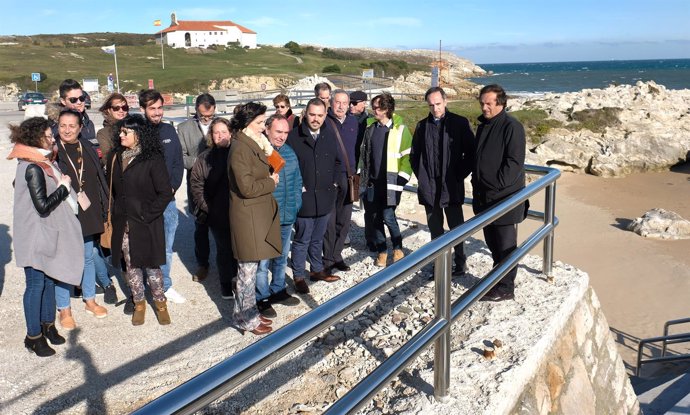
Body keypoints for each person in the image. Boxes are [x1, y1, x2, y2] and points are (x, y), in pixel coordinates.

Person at [9, 117, 84, 356]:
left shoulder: (41, 160)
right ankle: (33, 336)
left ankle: (47, 325)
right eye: (48, 134)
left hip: (45, 232)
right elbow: (42, 206)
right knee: (36, 284)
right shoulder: (32, 166)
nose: (52, 137)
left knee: (50, 280)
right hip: (33, 236)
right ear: (36, 137)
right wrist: (63, 187)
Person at [107, 114, 173, 325]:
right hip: (124, 221)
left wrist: (147, 214)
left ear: (139, 134)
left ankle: (160, 303)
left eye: (126, 132)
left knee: (152, 266)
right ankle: (139, 304)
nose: (121, 135)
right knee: (131, 266)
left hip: (146, 221)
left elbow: (165, 193)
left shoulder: (153, 158)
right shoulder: (116, 156)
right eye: (120, 131)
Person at [227, 102, 280, 335]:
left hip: (254, 213)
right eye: (259, 123)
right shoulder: (240, 148)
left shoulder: (252, 142)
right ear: (247, 123)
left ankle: (248, 314)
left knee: (250, 267)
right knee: (247, 271)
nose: (263, 127)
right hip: (247, 216)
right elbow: (246, 187)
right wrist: (271, 182)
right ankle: (246, 319)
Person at [54, 109, 110, 329]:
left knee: (87, 257)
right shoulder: (53, 149)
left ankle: (90, 300)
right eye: (63, 125)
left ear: (79, 127)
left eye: (71, 126)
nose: (67, 130)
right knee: (65, 261)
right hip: (63, 212)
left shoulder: (86, 145)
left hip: (88, 210)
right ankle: (64, 309)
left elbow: (97, 177)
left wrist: (104, 207)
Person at [472, 84, 529, 302]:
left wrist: (495, 185)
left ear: (501, 103)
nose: (484, 107)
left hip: (504, 199)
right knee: (492, 242)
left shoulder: (512, 126)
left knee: (506, 245)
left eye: (489, 103)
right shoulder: (483, 125)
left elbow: (514, 163)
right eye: (482, 103)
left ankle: (506, 288)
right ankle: (497, 280)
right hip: (484, 198)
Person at [411, 87, 475, 276]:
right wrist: (422, 176)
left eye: (438, 104)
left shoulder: (459, 123)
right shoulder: (422, 126)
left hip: (451, 186)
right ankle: (438, 264)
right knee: (435, 229)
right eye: (431, 105)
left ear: (445, 101)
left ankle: (460, 262)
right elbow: (414, 155)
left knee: (457, 227)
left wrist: (458, 175)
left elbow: (471, 153)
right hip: (429, 186)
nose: (435, 108)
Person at [287, 98, 341, 294]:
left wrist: (334, 182)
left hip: (325, 197)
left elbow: (337, 162)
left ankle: (317, 269)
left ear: (325, 115)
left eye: (320, 115)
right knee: (302, 239)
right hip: (304, 198)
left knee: (318, 238)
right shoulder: (293, 137)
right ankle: (299, 275)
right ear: (305, 114)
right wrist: (297, 187)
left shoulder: (329, 134)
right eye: (312, 114)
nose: (316, 119)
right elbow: (287, 166)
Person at [139, 89, 185, 304]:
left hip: (168, 199)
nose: (157, 113)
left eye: (159, 108)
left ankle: (165, 285)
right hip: (146, 201)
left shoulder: (169, 130)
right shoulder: (136, 132)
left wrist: (173, 186)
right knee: (146, 245)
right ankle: (143, 287)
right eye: (152, 109)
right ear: (143, 109)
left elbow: (177, 162)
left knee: (166, 244)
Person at [254, 115, 302, 318]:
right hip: (266, 218)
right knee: (263, 262)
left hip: (286, 215)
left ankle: (278, 289)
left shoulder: (290, 154)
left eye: (285, 133)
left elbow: (298, 182)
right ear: (267, 130)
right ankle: (261, 297)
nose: (282, 137)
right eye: (278, 132)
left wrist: (296, 205)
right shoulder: (258, 155)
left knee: (281, 257)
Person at [358, 92, 412, 267]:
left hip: (391, 183)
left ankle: (398, 248)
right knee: (375, 218)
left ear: (387, 109)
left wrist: (402, 179)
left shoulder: (401, 130)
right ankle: (382, 250)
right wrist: (361, 174)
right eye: (373, 106)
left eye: (377, 107)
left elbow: (408, 157)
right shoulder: (370, 128)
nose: (374, 110)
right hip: (372, 182)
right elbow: (363, 154)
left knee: (388, 216)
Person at [189, 118, 237, 300]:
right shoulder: (204, 158)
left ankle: (238, 280)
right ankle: (225, 284)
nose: (220, 135)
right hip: (217, 214)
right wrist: (207, 207)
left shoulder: (237, 153)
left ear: (231, 133)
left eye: (224, 131)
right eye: (216, 132)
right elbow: (196, 185)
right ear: (211, 135)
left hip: (238, 212)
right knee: (224, 250)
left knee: (239, 250)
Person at [178, 93, 216, 283]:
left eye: (210, 116)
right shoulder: (184, 128)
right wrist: (201, 161)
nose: (207, 119)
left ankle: (227, 264)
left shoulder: (223, 125)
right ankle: (203, 264)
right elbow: (181, 157)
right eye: (203, 116)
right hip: (197, 185)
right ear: (196, 111)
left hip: (219, 184)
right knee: (200, 226)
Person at [322, 89, 358, 274]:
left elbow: (358, 149)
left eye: (345, 102)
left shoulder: (353, 121)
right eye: (338, 102)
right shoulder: (324, 122)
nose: (341, 106)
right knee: (330, 220)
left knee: (344, 219)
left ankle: (337, 256)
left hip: (349, 176)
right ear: (331, 103)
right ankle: (327, 258)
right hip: (330, 177)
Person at [54, 79, 96, 147]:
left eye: (82, 98)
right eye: (73, 100)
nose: (79, 102)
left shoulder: (88, 123)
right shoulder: (56, 125)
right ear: (63, 101)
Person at [96, 93, 129, 166]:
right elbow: (106, 159)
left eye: (124, 107)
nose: (121, 111)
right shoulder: (103, 134)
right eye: (116, 108)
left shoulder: (135, 128)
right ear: (109, 110)